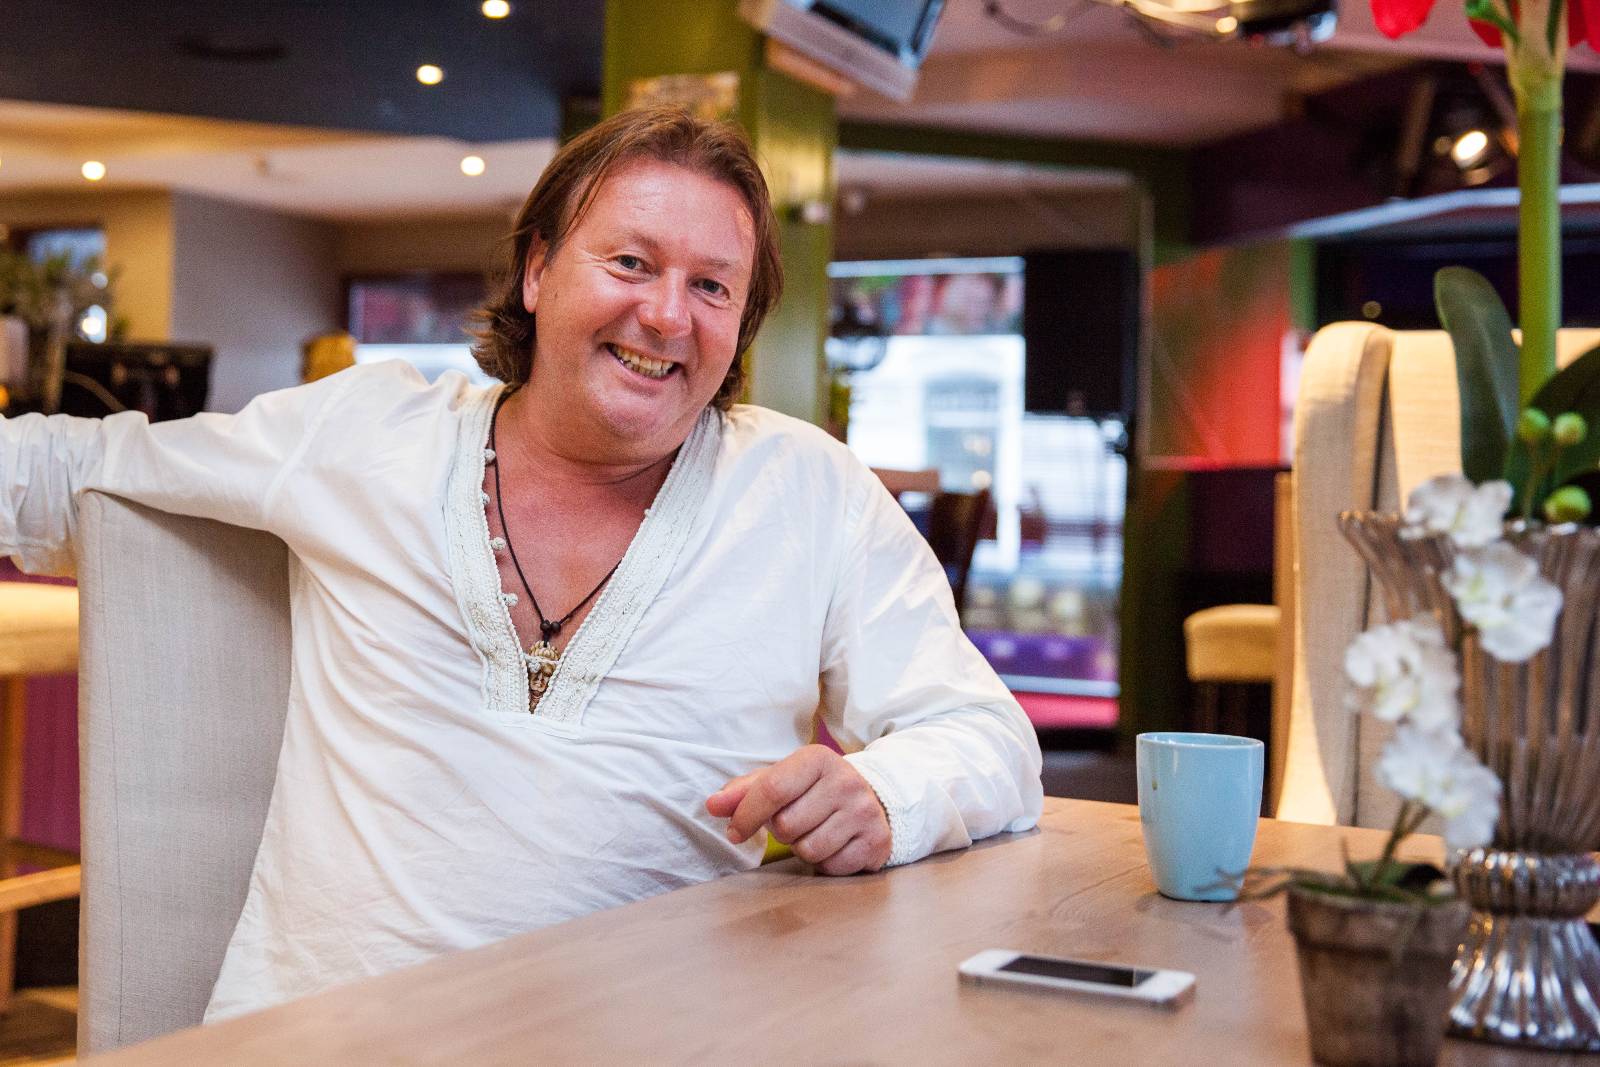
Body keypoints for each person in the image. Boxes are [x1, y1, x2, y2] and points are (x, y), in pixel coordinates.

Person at [0, 106, 1042, 1021]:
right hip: (316, 1040)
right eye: (630, 262)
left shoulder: (808, 493)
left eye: (712, 286)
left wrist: (885, 793)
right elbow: (71, 473)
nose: (667, 314)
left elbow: (989, 738)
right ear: (538, 270)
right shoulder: (367, 434)